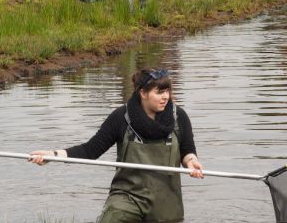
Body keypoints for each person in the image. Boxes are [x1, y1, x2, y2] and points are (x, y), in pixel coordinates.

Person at [29, 68, 203, 222]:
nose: (165, 97)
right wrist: (53, 155)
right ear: (143, 93)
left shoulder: (179, 117)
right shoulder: (121, 117)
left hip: (166, 201)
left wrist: (191, 161)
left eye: (167, 91)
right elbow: (91, 150)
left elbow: (187, 152)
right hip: (127, 196)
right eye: (159, 92)